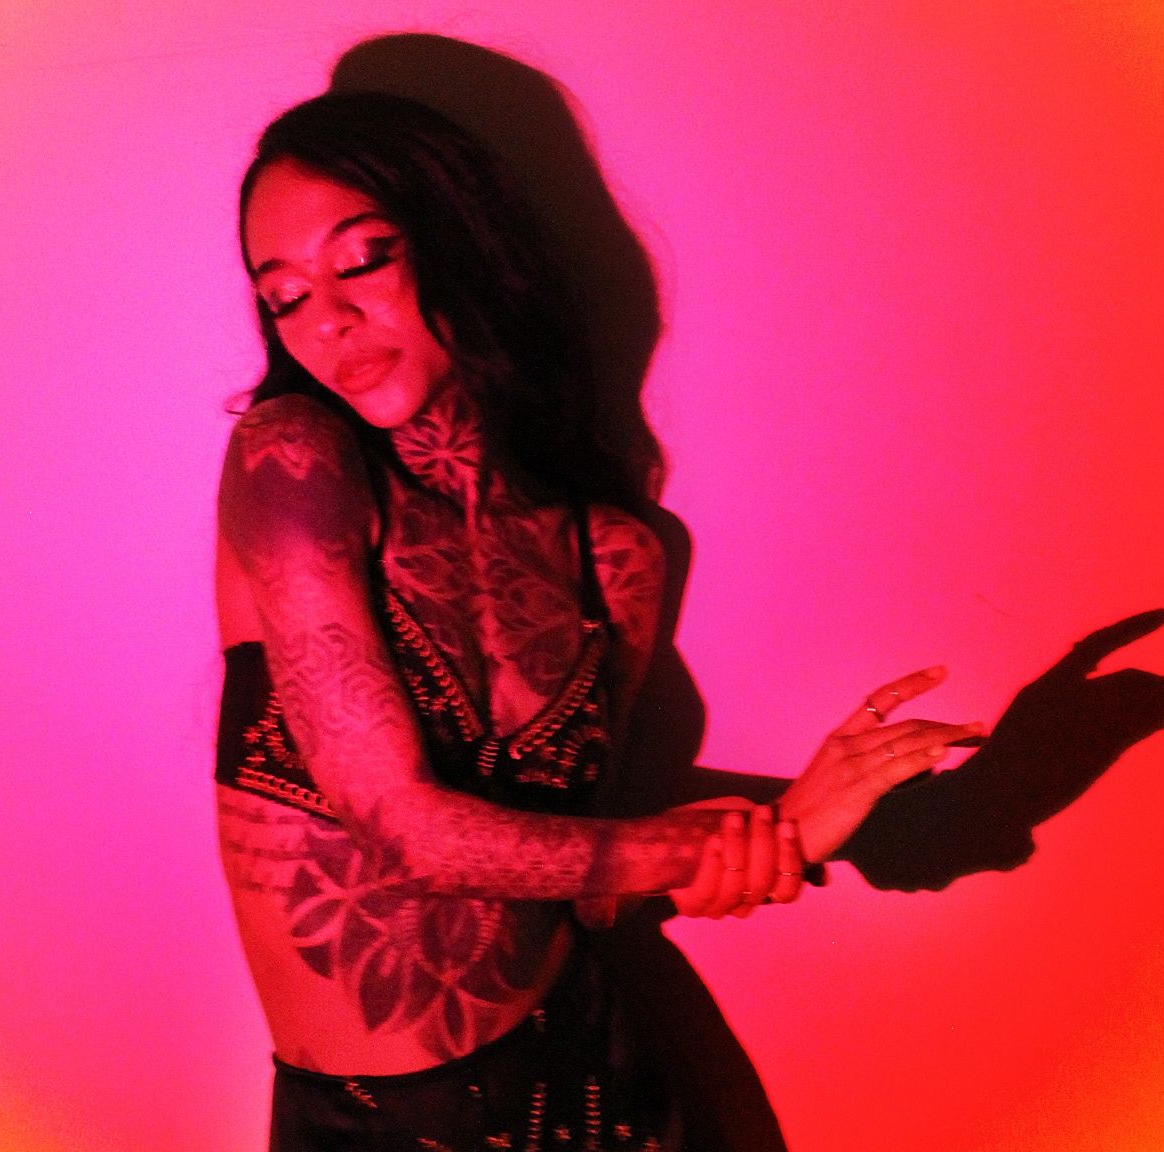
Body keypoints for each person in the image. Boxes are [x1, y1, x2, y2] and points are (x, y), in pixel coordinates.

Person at [213, 91, 982, 1151]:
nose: (327, 320)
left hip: (605, 1080)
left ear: (460, 241)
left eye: (363, 260)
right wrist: (696, 845)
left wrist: (787, 832)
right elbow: (404, 827)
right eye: (286, 296)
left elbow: (582, 889)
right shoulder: (295, 462)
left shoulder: (613, 556)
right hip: (373, 1127)